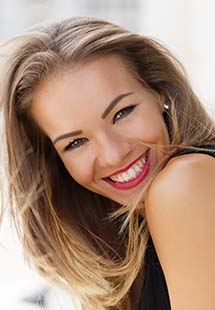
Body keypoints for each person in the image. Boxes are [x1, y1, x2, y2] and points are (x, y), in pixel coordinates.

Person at [0, 16, 215, 310]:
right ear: (55, 161)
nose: (114, 154)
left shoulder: (184, 183)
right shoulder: (135, 236)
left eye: (122, 113)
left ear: (159, 92)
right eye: (75, 143)